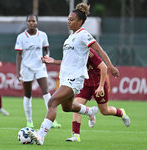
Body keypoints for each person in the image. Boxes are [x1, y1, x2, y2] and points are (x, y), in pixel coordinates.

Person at [27, 3, 120, 145]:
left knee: (52, 102)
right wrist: (53, 61)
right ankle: (90, 112)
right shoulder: (70, 38)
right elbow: (69, 60)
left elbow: (100, 51)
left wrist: (111, 66)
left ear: (80, 21)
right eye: (68, 19)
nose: (68, 22)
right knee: (67, 108)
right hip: (65, 77)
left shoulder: (84, 35)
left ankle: (41, 136)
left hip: (75, 79)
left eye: (71, 19)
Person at [66, 48, 130, 142]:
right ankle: (76, 135)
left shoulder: (89, 52)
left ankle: (121, 113)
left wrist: (100, 87)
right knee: (76, 107)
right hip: (85, 84)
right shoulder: (73, 52)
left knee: (104, 111)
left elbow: (103, 67)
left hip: (98, 83)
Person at [14, 14, 61, 128]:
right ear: (26, 23)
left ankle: (51, 120)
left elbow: (46, 50)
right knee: (27, 95)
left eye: (33, 21)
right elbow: (19, 55)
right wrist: (18, 71)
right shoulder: (21, 37)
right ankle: (29, 121)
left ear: (37, 22)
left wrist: (46, 57)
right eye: (29, 21)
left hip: (40, 68)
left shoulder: (43, 35)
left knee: (46, 92)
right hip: (26, 68)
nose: (31, 23)